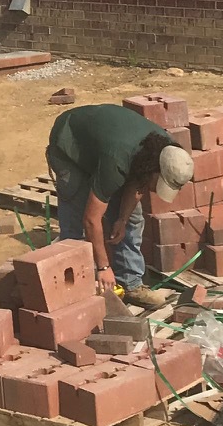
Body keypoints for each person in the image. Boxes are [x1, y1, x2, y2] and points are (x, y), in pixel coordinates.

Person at [46, 104, 195, 310]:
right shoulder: (117, 162)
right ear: (155, 170)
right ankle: (76, 290)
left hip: (106, 145)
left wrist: (122, 219)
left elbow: (139, 183)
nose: (155, 190)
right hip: (69, 143)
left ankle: (131, 285)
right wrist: (103, 267)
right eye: (159, 184)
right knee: (76, 224)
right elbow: (91, 220)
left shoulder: (165, 150)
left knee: (133, 218)